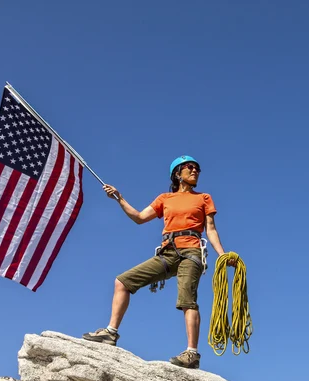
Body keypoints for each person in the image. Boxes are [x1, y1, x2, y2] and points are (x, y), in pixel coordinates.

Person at [83, 155, 235, 369]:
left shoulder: (204, 198)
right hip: (167, 252)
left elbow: (210, 229)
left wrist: (222, 254)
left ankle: (191, 354)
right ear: (177, 173)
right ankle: (110, 333)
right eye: (190, 167)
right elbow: (138, 217)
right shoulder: (165, 198)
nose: (195, 171)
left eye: (197, 168)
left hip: (191, 251)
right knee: (123, 282)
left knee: (187, 300)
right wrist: (119, 198)